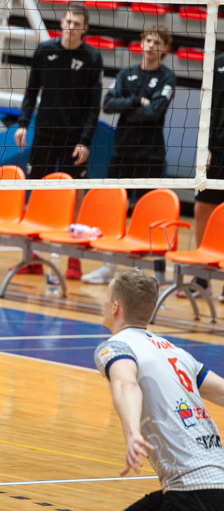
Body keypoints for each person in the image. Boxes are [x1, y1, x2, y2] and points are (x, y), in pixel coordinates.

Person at [95, 268, 224, 510]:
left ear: (115, 307)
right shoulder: (177, 352)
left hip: (192, 490)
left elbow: (126, 382)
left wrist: (132, 433)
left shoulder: (115, 347)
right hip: (213, 483)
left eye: (107, 296)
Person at [14, 3, 103, 279]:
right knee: (37, 194)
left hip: (73, 139)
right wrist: (22, 124)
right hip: (44, 134)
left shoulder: (92, 57)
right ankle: (32, 258)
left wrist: (85, 141)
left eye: (77, 23)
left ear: (85, 28)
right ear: (61, 23)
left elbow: (94, 106)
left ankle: (73, 261)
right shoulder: (45, 51)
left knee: (74, 196)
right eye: (67, 21)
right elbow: (31, 92)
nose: (71, 27)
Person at [84, 26, 176, 285]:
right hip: (122, 150)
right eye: (147, 40)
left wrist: (128, 107)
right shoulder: (126, 73)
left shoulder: (168, 77)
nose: (151, 45)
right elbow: (108, 104)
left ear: (165, 48)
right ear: (141, 43)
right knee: (114, 208)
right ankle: (108, 267)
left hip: (150, 154)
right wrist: (137, 101)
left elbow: (155, 111)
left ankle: (156, 273)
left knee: (153, 214)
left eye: (157, 42)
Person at [190, 52, 224, 300]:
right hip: (217, 148)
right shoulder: (219, 62)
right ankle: (202, 274)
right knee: (202, 207)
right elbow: (208, 106)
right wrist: (205, 145)